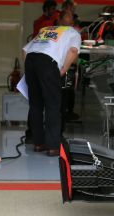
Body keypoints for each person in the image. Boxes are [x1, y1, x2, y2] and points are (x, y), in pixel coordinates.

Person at [23, 13, 81, 156]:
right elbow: (73, 51)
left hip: (30, 60)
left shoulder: (46, 29)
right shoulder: (74, 32)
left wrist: (31, 70)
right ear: (74, 24)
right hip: (48, 63)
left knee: (35, 104)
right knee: (53, 105)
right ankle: (53, 146)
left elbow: (25, 50)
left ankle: (38, 143)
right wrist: (63, 69)